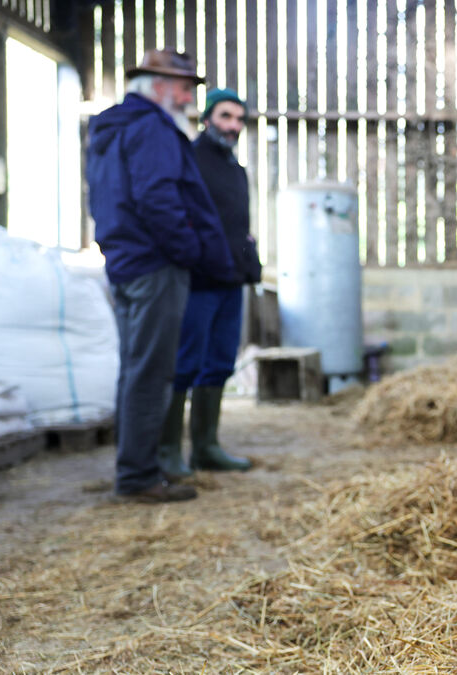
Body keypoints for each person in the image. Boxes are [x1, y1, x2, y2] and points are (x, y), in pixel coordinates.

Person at [86, 49, 236, 503]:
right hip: (154, 266)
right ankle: (137, 478)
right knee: (152, 372)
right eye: (185, 88)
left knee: (136, 369)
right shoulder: (152, 129)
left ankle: (135, 467)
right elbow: (157, 198)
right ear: (157, 87)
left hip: (125, 261)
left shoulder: (113, 130)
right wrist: (188, 250)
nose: (190, 97)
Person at [156, 88, 261, 477]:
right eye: (225, 117)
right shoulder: (192, 160)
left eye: (238, 119)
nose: (233, 126)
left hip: (232, 279)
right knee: (185, 363)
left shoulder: (236, 169)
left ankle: (206, 447)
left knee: (219, 361)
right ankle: (167, 452)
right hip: (198, 280)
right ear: (207, 119)